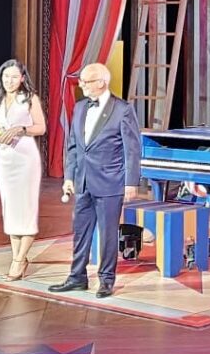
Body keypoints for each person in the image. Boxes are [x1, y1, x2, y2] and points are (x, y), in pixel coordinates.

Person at [49, 63, 141, 299]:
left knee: (108, 233)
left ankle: (106, 279)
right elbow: (73, 146)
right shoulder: (80, 108)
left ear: (101, 82)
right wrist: (69, 176)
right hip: (83, 181)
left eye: (86, 81)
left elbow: (132, 149)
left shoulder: (122, 109)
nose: (81, 85)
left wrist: (131, 182)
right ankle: (77, 277)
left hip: (110, 181)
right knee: (81, 231)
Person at [0, 59, 46, 281]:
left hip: (25, 158)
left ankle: (19, 260)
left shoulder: (29, 99)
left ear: (22, 79)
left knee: (26, 207)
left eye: (14, 77)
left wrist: (22, 129)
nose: (9, 81)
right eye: (6, 77)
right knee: (10, 208)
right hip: (6, 159)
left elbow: (41, 127)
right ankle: (17, 255)